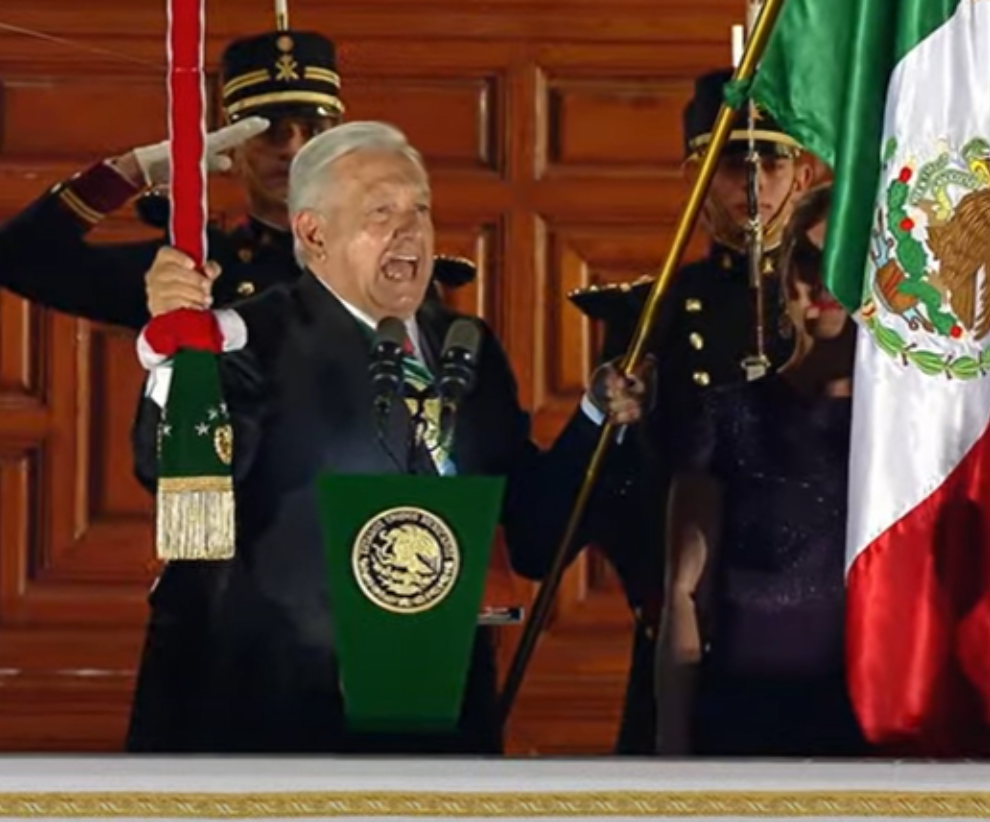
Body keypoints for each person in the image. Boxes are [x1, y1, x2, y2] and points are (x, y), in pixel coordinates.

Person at [126, 120, 652, 754]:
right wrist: (173, 353)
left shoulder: (467, 347)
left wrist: (594, 420)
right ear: (313, 232)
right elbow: (171, 474)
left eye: (420, 211)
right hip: (285, 721)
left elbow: (535, 537)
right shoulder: (248, 339)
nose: (410, 231)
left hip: (440, 715)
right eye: (382, 211)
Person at [564, 67, 816, 755]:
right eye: (737, 161)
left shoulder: (836, 309)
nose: (757, 180)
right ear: (698, 175)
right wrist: (658, 594)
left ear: (803, 173)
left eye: (774, 160)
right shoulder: (656, 313)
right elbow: (617, 486)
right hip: (692, 616)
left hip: (813, 617)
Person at [0, 24, 475, 330]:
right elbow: (15, 259)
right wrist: (136, 170)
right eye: (271, 132)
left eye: (313, 130)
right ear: (233, 151)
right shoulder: (189, 268)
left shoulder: (394, 265)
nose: (294, 149)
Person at [654, 183, 865, 757]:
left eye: (843, 262)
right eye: (807, 260)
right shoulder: (727, 413)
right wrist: (671, 759)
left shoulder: (901, 437)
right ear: (783, 274)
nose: (821, 283)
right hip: (741, 723)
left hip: (863, 728)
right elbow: (683, 594)